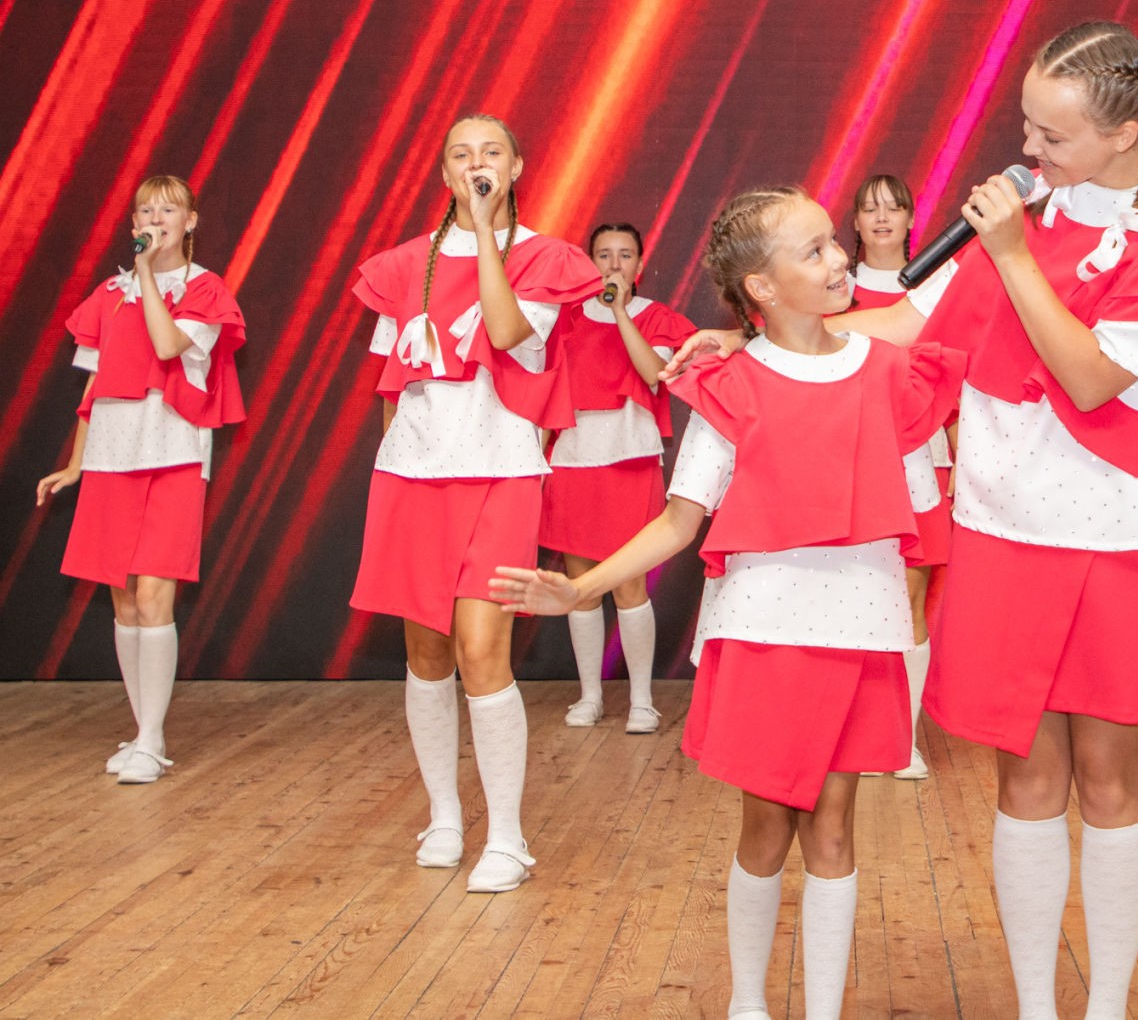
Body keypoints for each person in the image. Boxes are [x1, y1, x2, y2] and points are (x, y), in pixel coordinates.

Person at [667, 20, 1138, 1019]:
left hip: (1117, 535)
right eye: (1025, 126)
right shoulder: (1027, 211)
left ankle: (1105, 1006)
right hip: (1004, 526)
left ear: (1124, 134)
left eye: (1053, 135)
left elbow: (1089, 377)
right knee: (1024, 777)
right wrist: (759, 341)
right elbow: (911, 321)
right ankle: (1035, 1005)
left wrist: (1014, 255)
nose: (1027, 149)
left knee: (1111, 780)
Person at [494, 184, 963, 1019]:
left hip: (861, 626)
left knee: (835, 828)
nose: (840, 257)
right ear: (761, 287)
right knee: (766, 827)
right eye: (814, 250)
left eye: (833, 241)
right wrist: (582, 586)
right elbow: (680, 520)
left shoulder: (890, 371)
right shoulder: (731, 385)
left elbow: (926, 482)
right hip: (762, 631)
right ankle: (749, 1002)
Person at [350, 113, 600, 892]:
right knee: (425, 652)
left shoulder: (545, 258)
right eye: (460, 154)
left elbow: (505, 329)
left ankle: (509, 838)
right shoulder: (401, 266)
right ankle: (444, 816)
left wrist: (487, 231)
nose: (475, 163)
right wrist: (395, 466)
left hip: (500, 471)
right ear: (443, 172)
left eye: (490, 152)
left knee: (483, 649)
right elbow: (392, 384)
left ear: (515, 166)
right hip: (413, 475)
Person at [37, 174, 245, 785]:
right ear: (133, 223)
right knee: (124, 598)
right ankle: (140, 729)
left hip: (174, 454)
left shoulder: (205, 290)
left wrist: (148, 276)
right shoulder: (107, 295)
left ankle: (152, 740)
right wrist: (77, 462)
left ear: (190, 221)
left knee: (155, 595)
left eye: (168, 210)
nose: (155, 219)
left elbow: (166, 343)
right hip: (111, 455)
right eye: (145, 211)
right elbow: (94, 385)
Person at [541, 222, 695, 734]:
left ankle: (642, 702)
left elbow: (654, 374)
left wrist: (620, 311)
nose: (613, 264)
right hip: (573, 459)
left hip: (630, 460)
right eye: (603, 255)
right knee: (582, 587)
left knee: (629, 583)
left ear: (640, 264)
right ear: (590, 264)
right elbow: (546, 395)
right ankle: (589, 696)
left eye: (624, 255)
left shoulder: (656, 317)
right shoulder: (564, 319)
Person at [846, 173, 950, 779]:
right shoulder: (833, 286)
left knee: (909, 598)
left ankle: (902, 739)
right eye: (869, 208)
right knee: (854, 596)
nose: (882, 217)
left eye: (893, 207)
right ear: (855, 222)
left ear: (913, 218)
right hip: (846, 460)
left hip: (920, 460)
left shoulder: (939, 285)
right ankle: (854, 735)